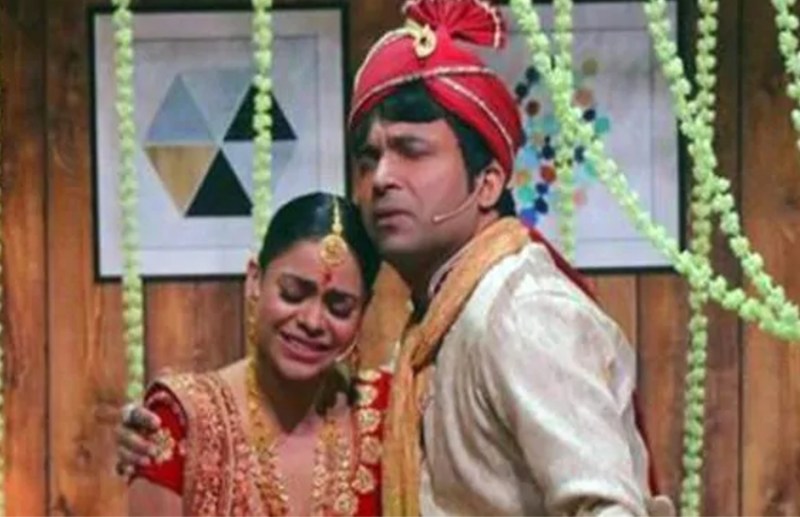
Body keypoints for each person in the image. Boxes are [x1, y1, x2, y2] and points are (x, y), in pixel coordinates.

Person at [119, 1, 675, 515]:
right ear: (254, 282)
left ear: (487, 183)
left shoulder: (520, 309)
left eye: (411, 150)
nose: (382, 177)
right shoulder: (435, 331)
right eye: (369, 159)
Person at [122, 192, 389, 516]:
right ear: (254, 281)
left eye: (339, 306)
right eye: (292, 293)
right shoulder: (182, 420)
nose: (312, 321)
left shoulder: (389, 411)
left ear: (363, 310)